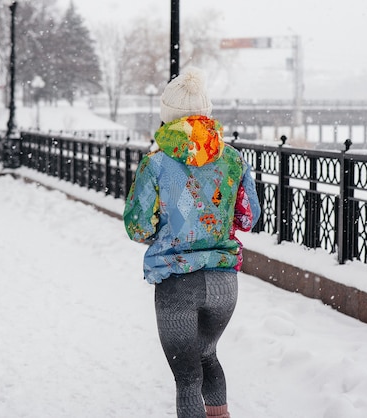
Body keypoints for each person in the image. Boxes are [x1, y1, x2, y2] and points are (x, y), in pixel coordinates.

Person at [123, 67, 261, 418]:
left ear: (167, 115)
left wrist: (169, 232)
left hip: (176, 281)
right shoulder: (233, 159)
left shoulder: (155, 164)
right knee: (207, 356)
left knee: (186, 378)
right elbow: (249, 218)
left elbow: (137, 226)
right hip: (224, 283)